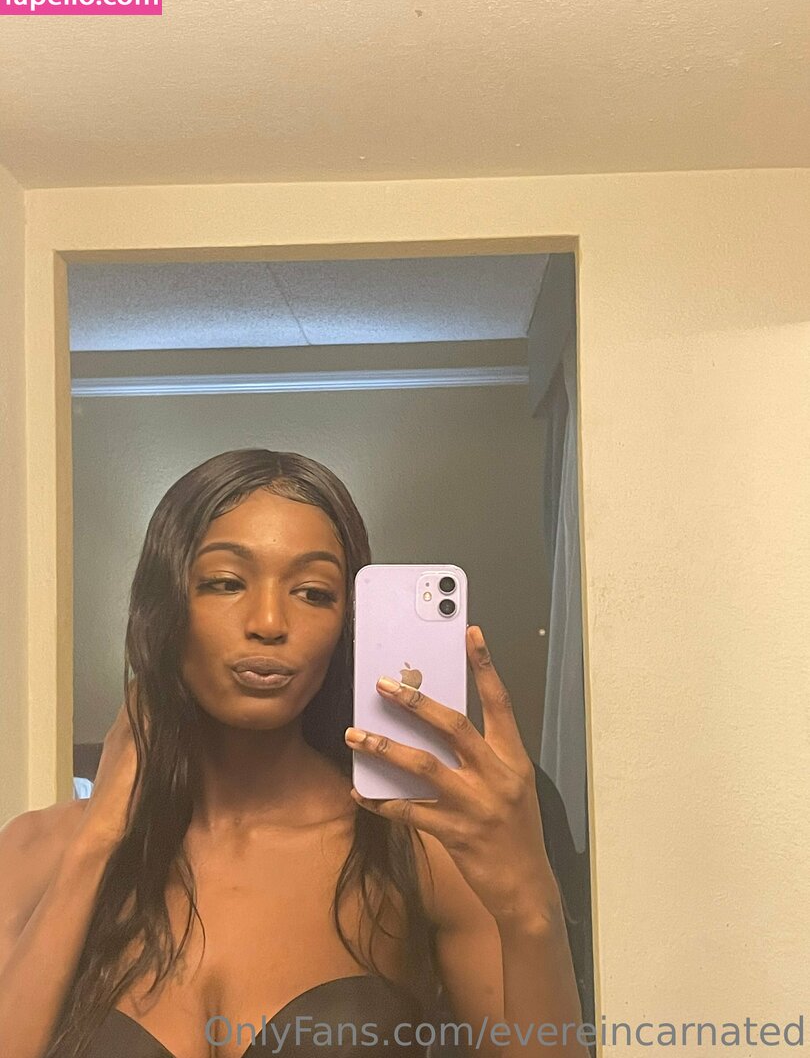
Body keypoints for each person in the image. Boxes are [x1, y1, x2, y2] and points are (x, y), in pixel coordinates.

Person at [0, 449, 587, 1058]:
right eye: (226, 583)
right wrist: (96, 842)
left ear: (346, 625)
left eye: (312, 592)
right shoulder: (33, 852)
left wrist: (531, 906)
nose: (269, 621)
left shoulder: (417, 849)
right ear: (165, 608)